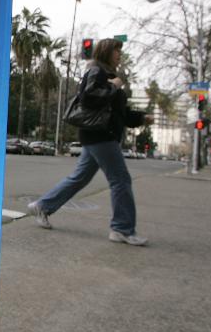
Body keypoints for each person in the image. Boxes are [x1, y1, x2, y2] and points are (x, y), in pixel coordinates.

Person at [27, 38, 153, 246]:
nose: (119, 55)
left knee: (79, 178)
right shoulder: (97, 72)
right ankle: (122, 228)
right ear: (106, 52)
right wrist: (114, 87)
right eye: (116, 51)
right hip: (100, 135)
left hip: (98, 135)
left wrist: (141, 118)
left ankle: (42, 206)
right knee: (120, 180)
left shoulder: (109, 76)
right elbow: (89, 98)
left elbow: (118, 113)